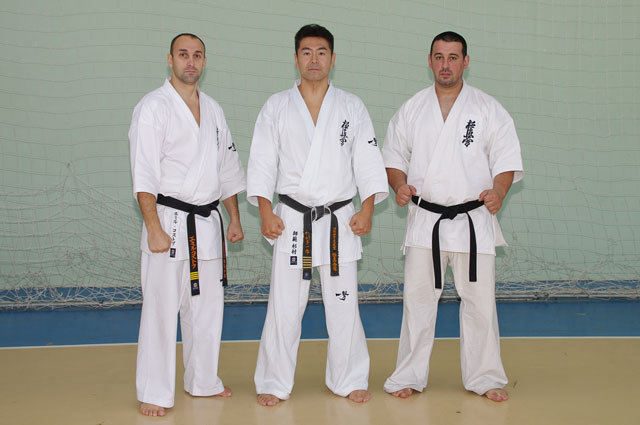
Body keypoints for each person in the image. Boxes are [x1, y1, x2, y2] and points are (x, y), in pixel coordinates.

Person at [247, 24, 388, 406]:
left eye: (321, 52)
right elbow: (262, 162)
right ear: (295, 58)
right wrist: (265, 211)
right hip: (292, 220)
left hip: (339, 219)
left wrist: (368, 208)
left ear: (333, 59)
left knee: (344, 304)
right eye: (306, 52)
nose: (314, 59)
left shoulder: (351, 106)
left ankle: (349, 377)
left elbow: (368, 161)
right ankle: (273, 381)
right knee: (284, 306)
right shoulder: (276, 106)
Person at [381, 31, 523, 402]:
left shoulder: (488, 108)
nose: (446, 65)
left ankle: (485, 377)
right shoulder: (412, 109)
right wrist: (399, 185)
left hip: (473, 220)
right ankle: (408, 375)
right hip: (426, 219)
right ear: (430, 61)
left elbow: (506, 160)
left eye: (453, 57)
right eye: (439, 57)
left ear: (465, 61)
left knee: (480, 304)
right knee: (417, 302)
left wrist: (499, 192)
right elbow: (393, 158)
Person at [128, 33, 246, 416]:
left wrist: (234, 217)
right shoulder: (153, 107)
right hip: (168, 220)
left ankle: (203, 381)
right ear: (170, 59)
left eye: (197, 55)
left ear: (204, 62)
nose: (190, 62)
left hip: (208, 223)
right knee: (161, 311)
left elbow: (227, 168)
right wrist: (153, 227)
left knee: (207, 309)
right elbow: (144, 173)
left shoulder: (213, 109)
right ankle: (154, 391)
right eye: (183, 54)